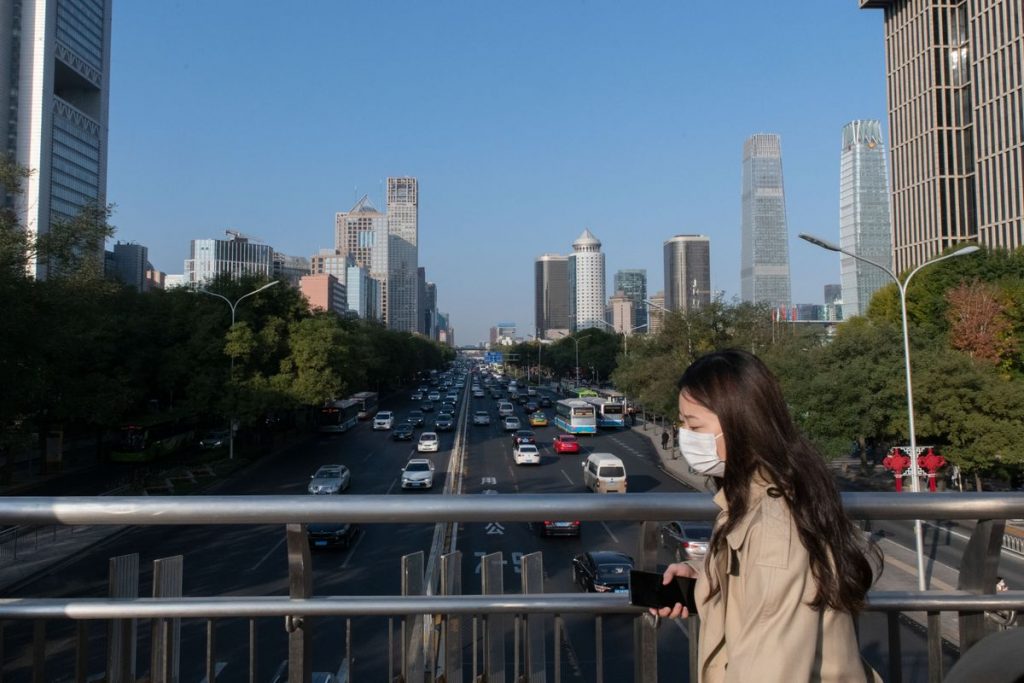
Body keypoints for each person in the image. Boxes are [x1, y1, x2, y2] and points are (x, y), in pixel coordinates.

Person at [654, 349, 882, 682]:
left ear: (739, 425)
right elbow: (756, 582)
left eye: (694, 425)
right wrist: (705, 577)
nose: (685, 435)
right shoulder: (763, 495)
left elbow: (771, 668)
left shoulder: (774, 531)